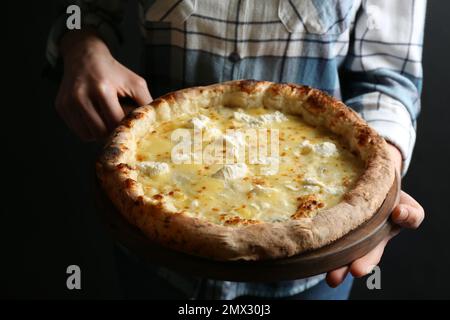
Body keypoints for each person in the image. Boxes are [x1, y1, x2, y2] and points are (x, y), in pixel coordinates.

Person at [47, 0, 426, 299]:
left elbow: (387, 76)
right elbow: (82, 11)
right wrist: (81, 45)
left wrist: (379, 187)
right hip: (156, 257)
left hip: (311, 273)